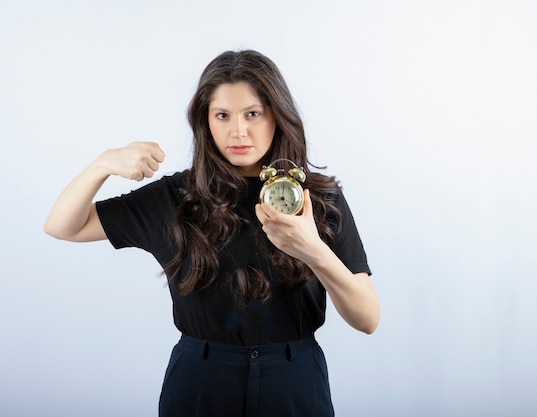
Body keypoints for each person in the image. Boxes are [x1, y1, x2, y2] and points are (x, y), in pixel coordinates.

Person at [44, 49, 379, 417]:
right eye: (222, 115)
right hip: (201, 379)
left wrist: (313, 249)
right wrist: (102, 165)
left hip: (294, 379)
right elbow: (63, 226)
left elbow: (367, 319)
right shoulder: (176, 197)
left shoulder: (318, 198)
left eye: (252, 113)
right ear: (205, 121)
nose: (238, 131)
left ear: (277, 116)